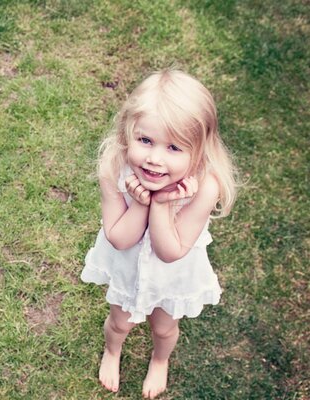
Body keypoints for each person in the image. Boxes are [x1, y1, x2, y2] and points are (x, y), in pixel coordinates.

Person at [81, 69, 237, 398]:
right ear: (128, 131)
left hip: (174, 273)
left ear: (199, 150)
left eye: (174, 148)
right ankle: (112, 352)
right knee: (120, 322)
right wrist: (140, 203)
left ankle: (160, 359)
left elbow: (170, 251)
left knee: (164, 328)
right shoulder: (113, 168)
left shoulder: (205, 187)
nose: (154, 159)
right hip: (127, 265)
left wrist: (163, 205)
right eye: (146, 141)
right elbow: (120, 239)